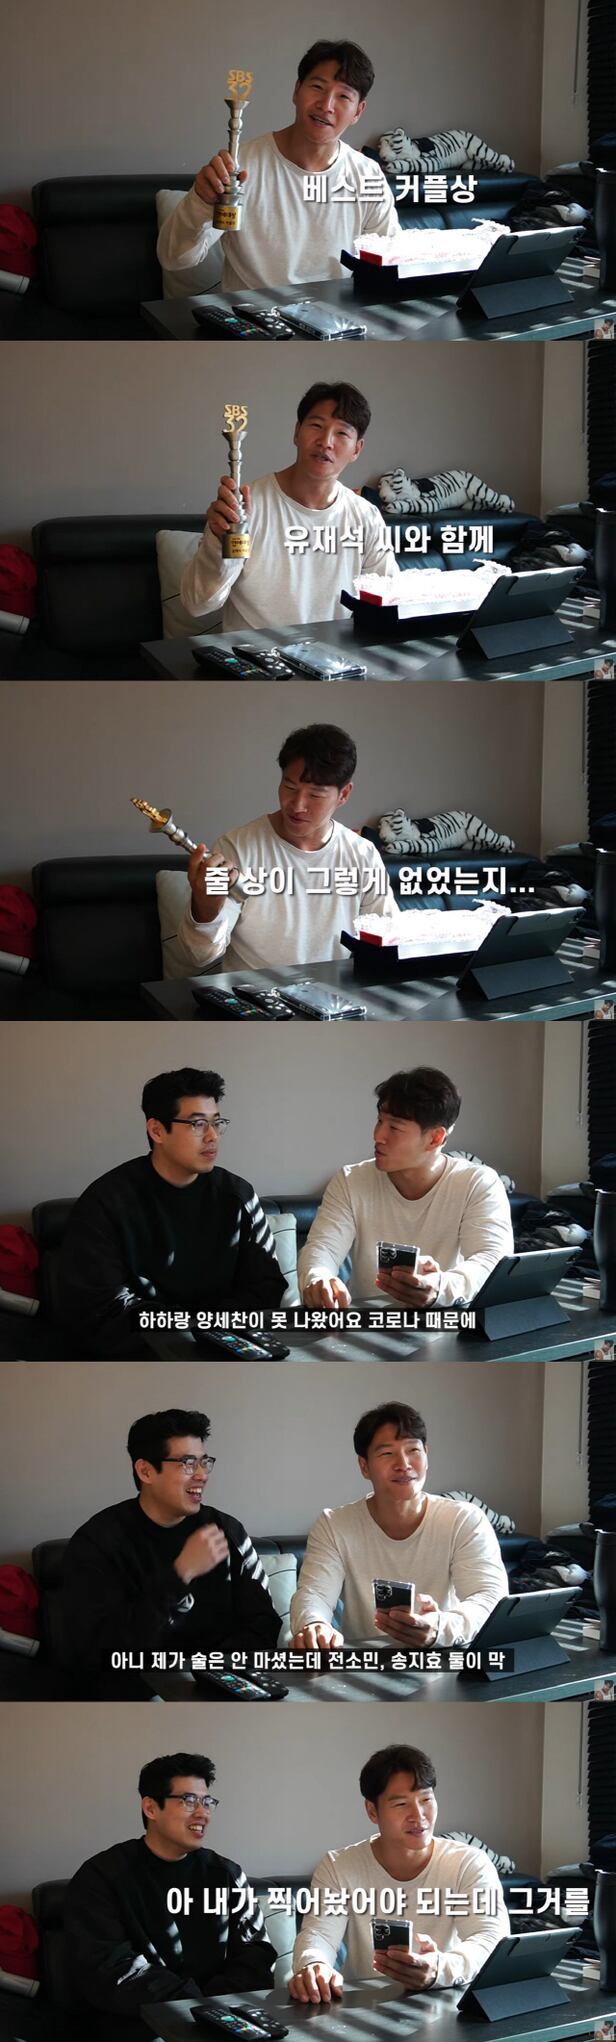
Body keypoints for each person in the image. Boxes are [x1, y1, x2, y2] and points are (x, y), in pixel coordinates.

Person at [48, 1067, 286, 1358]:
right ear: (157, 1130)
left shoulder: (238, 1195)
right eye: (198, 1124)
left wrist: (210, 1329)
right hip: (144, 1353)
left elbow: (266, 1286)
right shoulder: (107, 1202)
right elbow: (102, 1305)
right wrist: (188, 1330)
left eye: (217, 1122)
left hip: (228, 1346)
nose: (212, 1136)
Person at [56, 1407, 281, 1695]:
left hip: (220, 1687)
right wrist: (180, 1574)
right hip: (138, 1696)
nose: (201, 1475)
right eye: (187, 1463)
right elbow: (100, 1652)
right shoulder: (98, 1543)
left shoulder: (226, 1530)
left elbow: (263, 1624)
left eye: (204, 1462)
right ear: (146, 1471)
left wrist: (210, 1671)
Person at [65, 1751, 275, 2041]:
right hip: (141, 2023)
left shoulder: (226, 1874)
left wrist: (213, 2006)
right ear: (151, 1808)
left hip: (224, 2018)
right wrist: (196, 2003)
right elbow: (109, 1969)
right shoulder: (102, 1876)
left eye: (207, 1802)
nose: (203, 1813)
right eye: (189, 1801)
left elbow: (256, 1956)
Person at [157, 39, 397, 292]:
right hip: (252, 313)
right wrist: (200, 201)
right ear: (296, 90)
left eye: (343, 96)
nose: (326, 105)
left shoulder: (367, 176)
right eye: (317, 87)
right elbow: (174, 259)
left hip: (336, 313)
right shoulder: (241, 165)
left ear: (358, 111)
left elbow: (390, 265)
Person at [289, 1741, 509, 2003]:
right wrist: (314, 1964)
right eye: (401, 1804)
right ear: (372, 1811)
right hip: (364, 2007)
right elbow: (319, 1935)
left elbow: (490, 1939)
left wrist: (439, 1969)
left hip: (448, 2003)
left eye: (426, 1799)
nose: (419, 1815)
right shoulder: (339, 1866)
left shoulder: (468, 1863)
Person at [168, 723, 396, 976]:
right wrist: (205, 905)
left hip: (332, 994)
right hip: (252, 994)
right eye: (289, 787)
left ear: (343, 795)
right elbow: (199, 956)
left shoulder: (362, 855)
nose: (297, 805)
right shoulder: (237, 847)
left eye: (315, 795)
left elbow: (387, 940)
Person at [180, 381, 395, 632]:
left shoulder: (366, 518)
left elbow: (388, 603)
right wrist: (219, 543)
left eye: (342, 433)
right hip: (254, 653)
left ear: (356, 449)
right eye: (316, 426)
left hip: (335, 653)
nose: (326, 441)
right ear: (296, 432)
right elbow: (197, 604)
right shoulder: (244, 507)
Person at [290, 1400, 508, 1648]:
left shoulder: (464, 1520)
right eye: (387, 1453)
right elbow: (314, 1594)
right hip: (366, 1662)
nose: (404, 1464)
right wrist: (314, 1624)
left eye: (413, 1450)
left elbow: (489, 1596)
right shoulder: (334, 1525)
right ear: (364, 1466)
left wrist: (439, 1628)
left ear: (426, 1455)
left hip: (444, 1657)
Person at [298, 1065, 514, 1308]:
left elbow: (491, 1260)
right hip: (368, 1322)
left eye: (394, 1128)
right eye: (379, 1121)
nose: (378, 1135)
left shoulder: (477, 1183)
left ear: (435, 1138)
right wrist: (318, 1278)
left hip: (447, 1319)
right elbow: (323, 1248)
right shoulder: (351, 1180)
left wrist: (440, 1288)